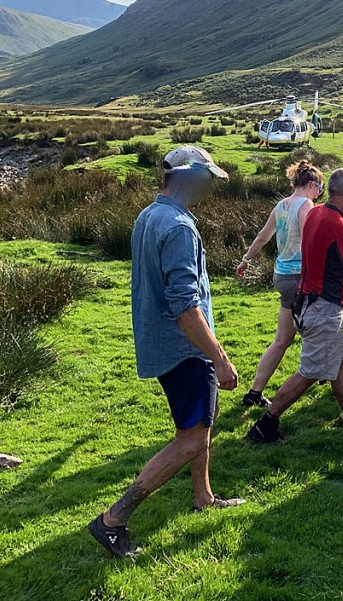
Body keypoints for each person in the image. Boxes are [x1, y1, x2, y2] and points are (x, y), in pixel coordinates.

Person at [88, 146, 244, 560]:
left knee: (202, 422)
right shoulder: (179, 227)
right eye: (207, 180)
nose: (210, 189)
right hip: (185, 350)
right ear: (190, 178)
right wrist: (219, 357)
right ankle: (112, 520)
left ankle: (203, 497)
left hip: (165, 343)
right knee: (190, 440)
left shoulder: (150, 214)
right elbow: (186, 307)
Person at [248, 169, 343, 442]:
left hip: (307, 300)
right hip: (322, 307)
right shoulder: (340, 224)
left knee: (340, 358)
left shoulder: (315, 212)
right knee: (311, 371)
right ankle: (266, 423)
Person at [236, 160, 325, 408]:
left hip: (282, 275)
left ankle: (254, 392)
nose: (319, 194)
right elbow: (311, 241)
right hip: (299, 277)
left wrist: (245, 260)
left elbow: (263, 237)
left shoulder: (281, 205)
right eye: (320, 189)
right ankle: (323, 374)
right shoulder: (306, 205)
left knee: (282, 339)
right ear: (312, 185)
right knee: (317, 330)